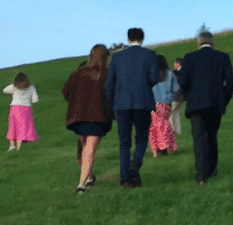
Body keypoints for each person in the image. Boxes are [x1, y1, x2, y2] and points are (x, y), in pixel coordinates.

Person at [174, 31, 233, 185]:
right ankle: (212, 169)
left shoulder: (189, 57)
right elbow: (230, 81)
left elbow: (182, 81)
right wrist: (224, 99)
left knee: (199, 138)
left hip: (196, 104)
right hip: (216, 103)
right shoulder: (223, 57)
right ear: (213, 42)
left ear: (198, 43)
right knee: (212, 135)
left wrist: (190, 95)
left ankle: (201, 175)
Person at [106, 27, 160, 188]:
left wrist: (111, 104)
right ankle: (135, 163)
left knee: (124, 142)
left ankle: (125, 179)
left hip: (121, 103)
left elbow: (110, 83)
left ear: (128, 39)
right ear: (142, 39)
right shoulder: (150, 54)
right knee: (142, 137)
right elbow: (154, 78)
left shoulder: (117, 57)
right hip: (142, 102)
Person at [62, 45, 114, 193]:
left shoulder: (78, 73)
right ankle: (82, 184)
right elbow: (112, 95)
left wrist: (76, 103)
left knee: (86, 147)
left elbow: (66, 91)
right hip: (98, 117)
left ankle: (89, 178)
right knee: (89, 149)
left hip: (78, 117)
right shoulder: (106, 74)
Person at [149, 55, 179, 157]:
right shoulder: (170, 74)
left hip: (154, 104)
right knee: (165, 124)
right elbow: (175, 89)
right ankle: (167, 145)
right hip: (167, 104)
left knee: (155, 126)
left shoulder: (151, 74)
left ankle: (159, 148)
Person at [3, 72, 39, 151]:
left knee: (13, 126)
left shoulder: (14, 87)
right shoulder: (31, 87)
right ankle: (19, 147)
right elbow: (35, 99)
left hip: (15, 108)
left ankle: (12, 145)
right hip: (26, 109)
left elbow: (5, 90)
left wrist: (11, 94)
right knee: (22, 127)